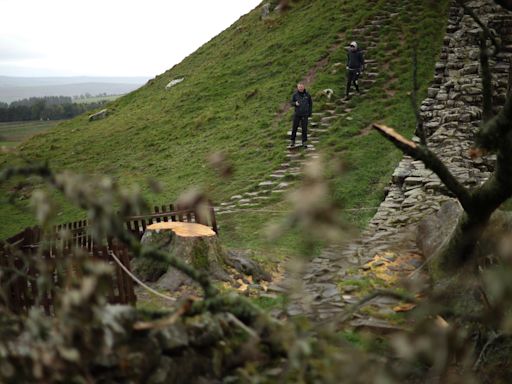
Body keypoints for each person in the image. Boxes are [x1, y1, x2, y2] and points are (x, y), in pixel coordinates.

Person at [289, 82, 313, 148]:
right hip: (297, 114)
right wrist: (295, 103)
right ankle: (292, 141)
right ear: (297, 87)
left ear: (304, 87)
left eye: (301, 87)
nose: (300, 88)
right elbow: (291, 103)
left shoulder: (307, 95)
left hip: (305, 114)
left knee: (304, 129)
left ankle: (304, 142)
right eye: (299, 87)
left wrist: (309, 113)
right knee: (294, 128)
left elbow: (310, 104)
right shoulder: (295, 95)